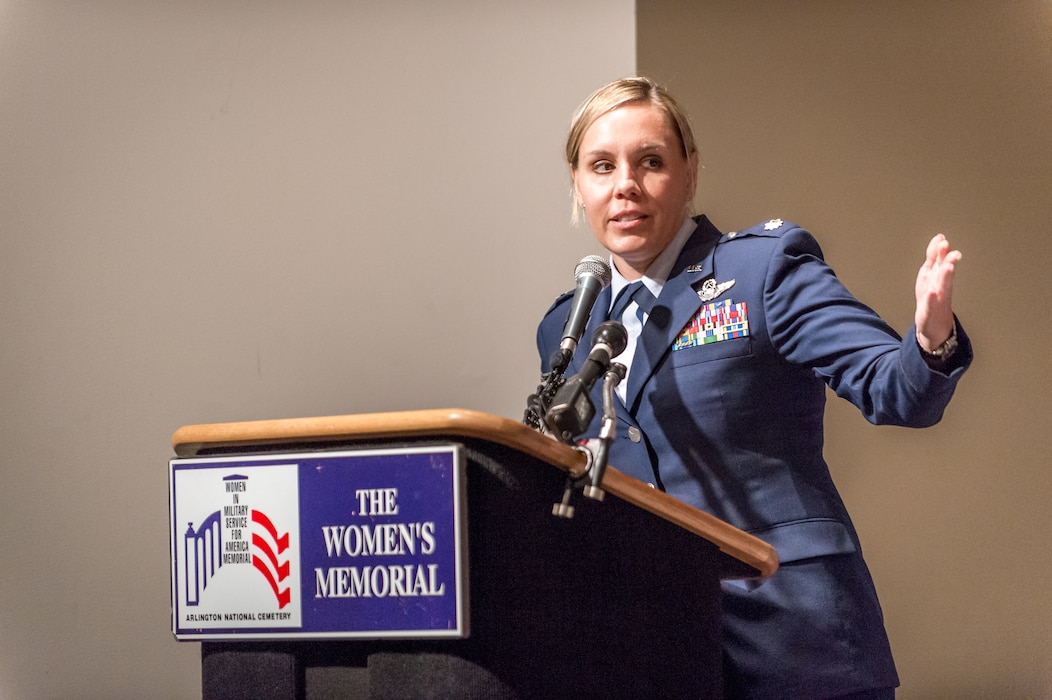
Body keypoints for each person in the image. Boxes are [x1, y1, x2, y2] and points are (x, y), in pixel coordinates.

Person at [535, 77, 972, 700]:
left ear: (689, 174)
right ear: (579, 186)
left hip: (795, 638)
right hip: (649, 648)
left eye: (650, 162)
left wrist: (928, 339)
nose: (625, 184)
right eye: (601, 166)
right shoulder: (566, 326)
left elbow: (892, 387)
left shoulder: (761, 269)